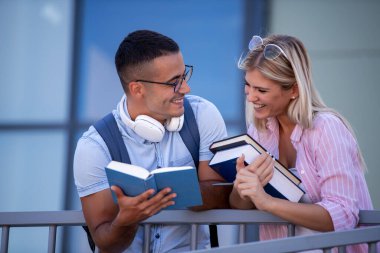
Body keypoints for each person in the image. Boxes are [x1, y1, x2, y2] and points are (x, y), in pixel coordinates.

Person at [74, 30, 231, 252]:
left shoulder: (203, 115)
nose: (186, 88)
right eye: (173, 82)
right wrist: (127, 219)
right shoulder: (94, 146)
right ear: (137, 89)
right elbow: (104, 241)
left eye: (184, 76)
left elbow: (223, 194)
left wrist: (173, 192)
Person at [229, 34, 374, 252]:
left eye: (262, 90)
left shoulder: (326, 128)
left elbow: (344, 214)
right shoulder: (259, 131)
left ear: (294, 90)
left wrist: (267, 202)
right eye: (248, 85)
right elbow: (240, 206)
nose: (250, 97)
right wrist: (242, 187)